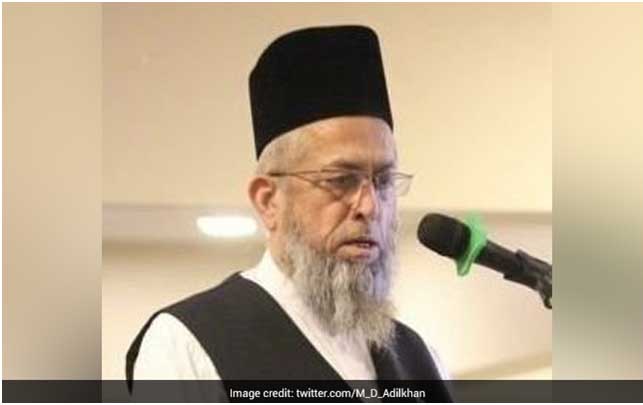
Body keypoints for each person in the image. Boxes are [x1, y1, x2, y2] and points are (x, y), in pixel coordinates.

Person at [126, 25, 451, 402]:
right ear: (268, 201)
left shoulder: (421, 359)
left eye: (382, 181)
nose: (369, 206)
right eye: (340, 180)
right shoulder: (188, 344)